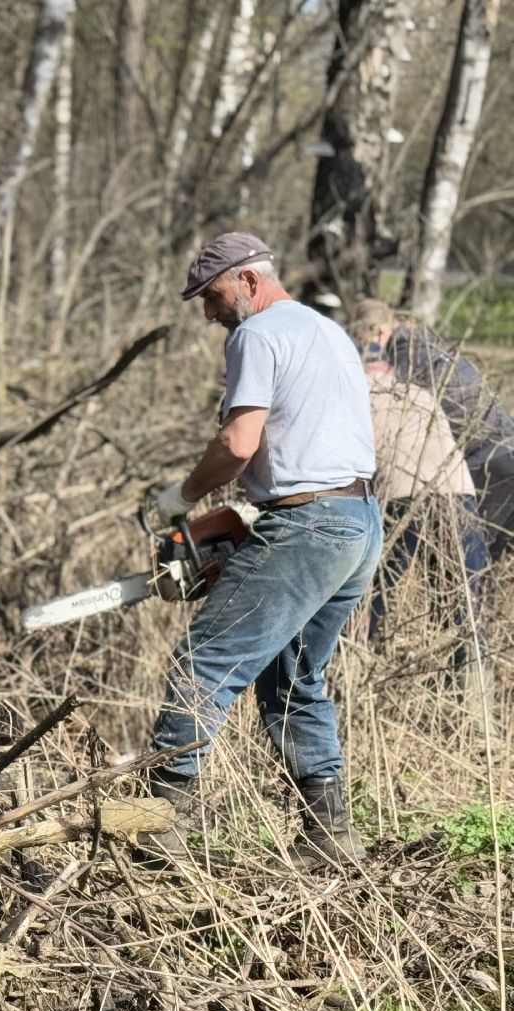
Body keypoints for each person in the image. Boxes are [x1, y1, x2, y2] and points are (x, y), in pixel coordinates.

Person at [139, 232, 382, 868]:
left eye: (214, 295)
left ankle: (161, 825)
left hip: (308, 526)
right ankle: (329, 834)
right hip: (357, 521)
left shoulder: (256, 333)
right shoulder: (327, 331)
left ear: (249, 281)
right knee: (294, 677)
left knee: (202, 664)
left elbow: (239, 442)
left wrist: (180, 498)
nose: (209, 311)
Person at [351, 298, 488, 647]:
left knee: (373, 597)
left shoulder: (353, 391)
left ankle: (352, 670)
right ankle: (467, 688)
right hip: (459, 493)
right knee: (465, 610)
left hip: (401, 496)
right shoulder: (419, 390)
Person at [371, 302, 514, 560]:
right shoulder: (448, 358)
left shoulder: (409, 365)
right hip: (505, 451)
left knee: (481, 562)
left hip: (486, 467)